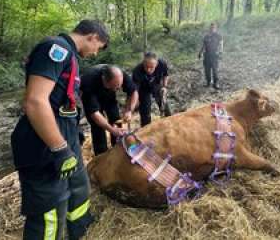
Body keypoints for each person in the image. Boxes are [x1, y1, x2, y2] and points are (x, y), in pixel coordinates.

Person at [11, 20, 109, 240]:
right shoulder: (56, 49)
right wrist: (60, 149)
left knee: (79, 187)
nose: (95, 54)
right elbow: (35, 101)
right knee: (51, 209)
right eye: (98, 47)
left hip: (65, 137)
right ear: (93, 36)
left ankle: (80, 229)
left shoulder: (70, 56)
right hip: (43, 144)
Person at [80, 64, 138, 155]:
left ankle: (118, 147)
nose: (118, 89)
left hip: (109, 98)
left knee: (116, 119)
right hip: (92, 97)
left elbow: (134, 92)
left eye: (120, 86)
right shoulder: (88, 81)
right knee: (98, 127)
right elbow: (94, 113)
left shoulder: (118, 75)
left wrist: (129, 110)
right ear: (104, 80)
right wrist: (111, 130)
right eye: (116, 86)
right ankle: (101, 155)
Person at [132, 52, 171, 127]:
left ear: (156, 64)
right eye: (146, 67)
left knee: (164, 103)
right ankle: (146, 129)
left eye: (151, 67)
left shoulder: (162, 64)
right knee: (145, 110)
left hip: (156, 84)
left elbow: (166, 75)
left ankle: (170, 123)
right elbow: (135, 90)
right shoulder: (137, 71)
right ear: (143, 63)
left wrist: (164, 87)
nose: (148, 70)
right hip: (143, 88)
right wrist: (135, 102)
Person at [198, 23, 223, 89]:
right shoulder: (206, 36)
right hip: (207, 55)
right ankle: (208, 82)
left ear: (216, 28)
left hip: (215, 55)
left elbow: (221, 44)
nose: (212, 29)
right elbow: (203, 45)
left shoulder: (218, 36)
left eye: (213, 28)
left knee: (215, 70)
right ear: (209, 28)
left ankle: (216, 83)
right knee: (207, 70)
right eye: (211, 28)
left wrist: (220, 52)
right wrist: (200, 53)